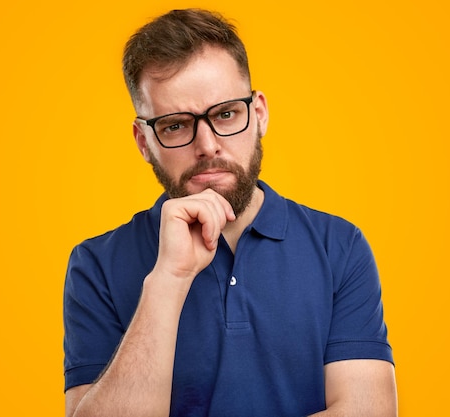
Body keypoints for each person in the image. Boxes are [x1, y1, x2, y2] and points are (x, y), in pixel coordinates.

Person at [63, 8, 397, 417]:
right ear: (143, 141)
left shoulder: (340, 247)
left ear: (258, 114)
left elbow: (369, 411)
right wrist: (169, 279)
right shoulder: (95, 264)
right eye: (175, 125)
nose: (207, 145)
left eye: (225, 114)